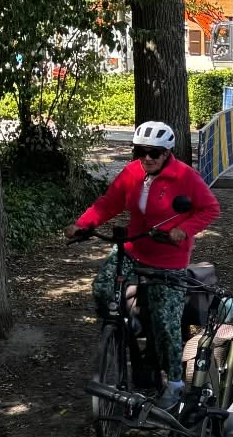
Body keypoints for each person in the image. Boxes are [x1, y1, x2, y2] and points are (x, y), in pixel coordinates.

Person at [66, 121, 221, 408]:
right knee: (102, 288)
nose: (147, 158)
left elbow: (210, 208)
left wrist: (183, 230)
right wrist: (83, 224)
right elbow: (109, 203)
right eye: (140, 151)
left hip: (168, 257)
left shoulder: (184, 176)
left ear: (167, 153)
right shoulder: (132, 172)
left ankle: (174, 384)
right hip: (133, 248)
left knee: (165, 322)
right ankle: (124, 328)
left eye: (154, 152)